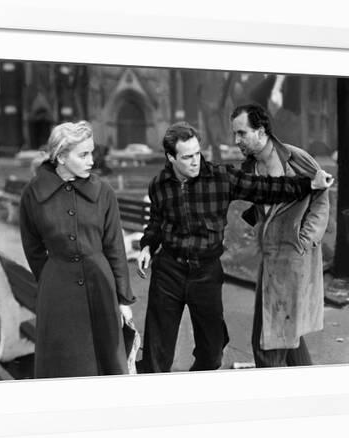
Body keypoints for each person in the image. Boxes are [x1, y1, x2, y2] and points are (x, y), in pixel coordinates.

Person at [136, 121, 333, 373]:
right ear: (171, 158)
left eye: (198, 153)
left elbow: (267, 189)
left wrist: (309, 185)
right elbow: (156, 222)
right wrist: (147, 246)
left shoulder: (221, 177)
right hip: (168, 273)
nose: (196, 161)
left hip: (205, 274)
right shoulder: (158, 185)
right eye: (187, 157)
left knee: (212, 354)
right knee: (156, 358)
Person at [19, 120, 135, 378]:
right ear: (61, 156)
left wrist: (123, 298)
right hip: (58, 293)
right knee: (63, 365)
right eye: (83, 154)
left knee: (108, 363)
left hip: (101, 286)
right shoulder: (33, 194)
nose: (91, 160)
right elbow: (33, 247)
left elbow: (115, 246)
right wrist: (53, 277)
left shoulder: (103, 192)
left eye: (91, 152)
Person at [231, 104, 329, 367]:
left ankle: (273, 399)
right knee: (286, 334)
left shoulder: (297, 159)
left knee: (268, 342)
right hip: (269, 258)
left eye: (241, 133)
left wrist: (305, 239)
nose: (236, 140)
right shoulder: (249, 169)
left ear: (261, 131)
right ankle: (312, 392)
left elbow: (321, 199)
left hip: (294, 258)